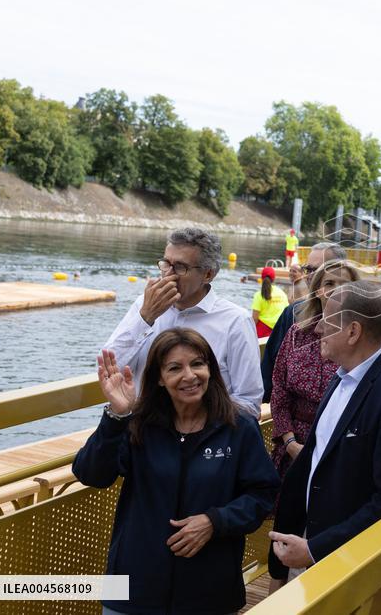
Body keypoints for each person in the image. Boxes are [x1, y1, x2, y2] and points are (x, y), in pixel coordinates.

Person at [72, 330, 279, 615]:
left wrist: (214, 521)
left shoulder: (238, 426)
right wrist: (117, 417)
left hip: (209, 591)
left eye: (197, 364)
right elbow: (91, 474)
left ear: (211, 369)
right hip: (134, 588)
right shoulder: (139, 424)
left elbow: (263, 494)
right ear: (158, 377)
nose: (190, 375)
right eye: (174, 368)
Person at [267, 281, 381, 592]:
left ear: (353, 332)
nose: (317, 332)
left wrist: (316, 549)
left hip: (350, 568)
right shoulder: (341, 378)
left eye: (326, 323)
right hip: (314, 550)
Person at [104, 228, 263, 416]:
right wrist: (145, 318)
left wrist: (191, 414)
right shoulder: (144, 305)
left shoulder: (235, 321)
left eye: (180, 267)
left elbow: (249, 404)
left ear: (208, 274)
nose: (168, 275)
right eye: (165, 264)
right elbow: (108, 369)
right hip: (140, 432)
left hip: (201, 439)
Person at [269, 260, 361, 476]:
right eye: (329, 283)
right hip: (293, 443)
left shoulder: (360, 338)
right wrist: (289, 442)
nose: (335, 290)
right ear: (318, 290)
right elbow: (279, 392)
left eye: (344, 284)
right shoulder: (296, 334)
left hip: (340, 447)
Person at [261, 243, 347, 402]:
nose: (309, 275)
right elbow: (273, 366)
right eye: (308, 269)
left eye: (318, 270)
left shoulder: (358, 317)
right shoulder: (294, 313)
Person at [252, 266, 290, 338]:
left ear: (262, 278)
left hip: (261, 331)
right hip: (278, 331)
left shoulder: (259, 295)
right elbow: (286, 312)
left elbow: (255, 318)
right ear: (274, 278)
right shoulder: (282, 293)